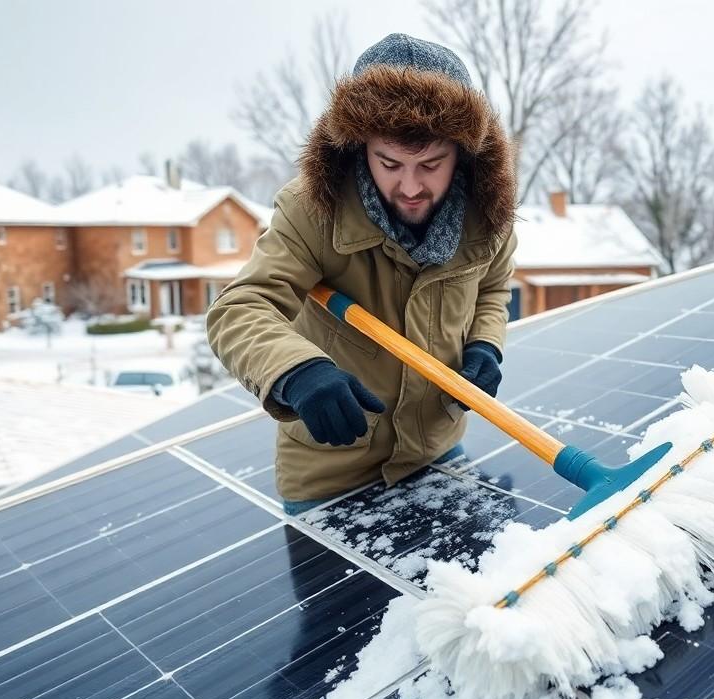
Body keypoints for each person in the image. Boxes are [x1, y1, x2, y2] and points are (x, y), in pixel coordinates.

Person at [207, 33, 517, 516]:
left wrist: (485, 344)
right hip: (331, 471)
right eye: (389, 163)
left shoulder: (489, 215)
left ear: (464, 152)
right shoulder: (312, 210)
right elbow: (241, 307)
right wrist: (295, 371)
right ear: (358, 148)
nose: (410, 186)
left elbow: (493, 288)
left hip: (439, 447)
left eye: (431, 164)